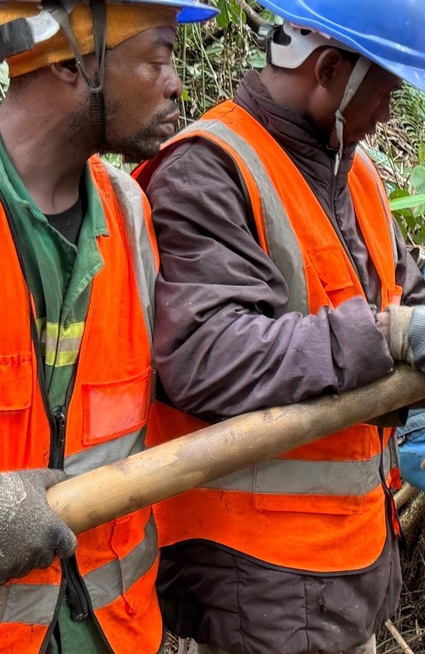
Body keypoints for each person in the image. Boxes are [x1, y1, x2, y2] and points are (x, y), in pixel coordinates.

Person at [133, 1, 425, 653]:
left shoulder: (358, 180)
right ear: (330, 71)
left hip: (347, 567)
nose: (387, 115)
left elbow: (405, 316)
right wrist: (397, 336)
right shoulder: (208, 172)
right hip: (252, 582)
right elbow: (204, 356)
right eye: (386, 91)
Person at [0, 1, 217, 652]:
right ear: (69, 61)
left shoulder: (129, 214)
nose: (178, 82)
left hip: (115, 632)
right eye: (157, 57)